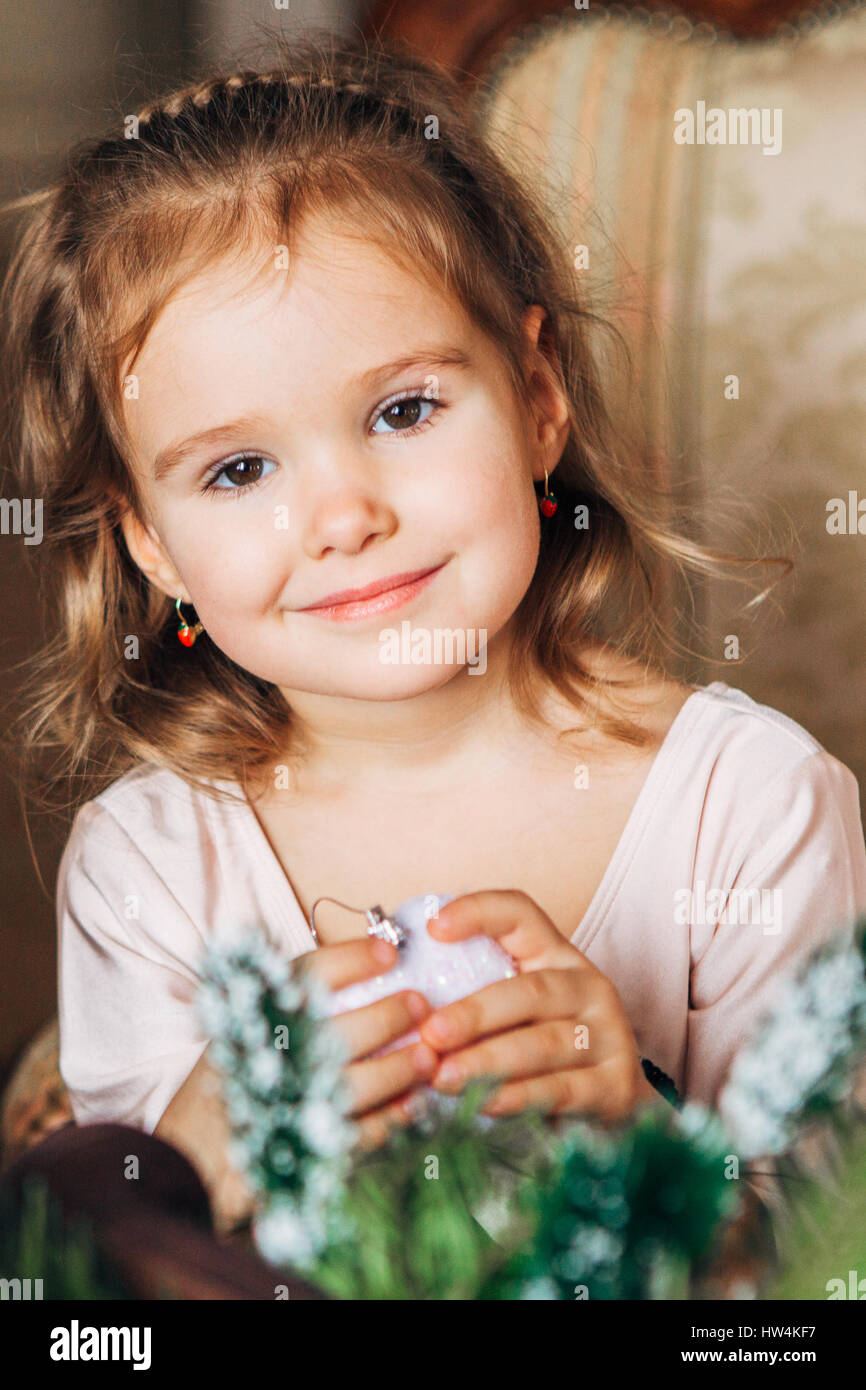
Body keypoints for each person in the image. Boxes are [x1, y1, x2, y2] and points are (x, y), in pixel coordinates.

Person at [2, 34, 864, 1235]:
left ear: (536, 398)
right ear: (147, 539)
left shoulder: (751, 808)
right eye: (239, 467)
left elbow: (819, 1278)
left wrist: (642, 1131)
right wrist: (189, 1164)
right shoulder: (150, 868)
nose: (346, 516)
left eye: (403, 409)